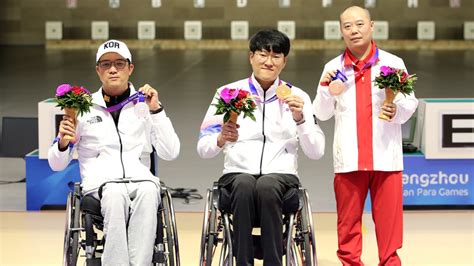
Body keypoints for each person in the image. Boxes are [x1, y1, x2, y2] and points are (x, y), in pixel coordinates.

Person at [197, 29, 325, 266]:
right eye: (263, 54)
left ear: (284, 61)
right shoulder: (228, 94)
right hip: (237, 175)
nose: (269, 61)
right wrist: (221, 138)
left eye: (276, 56)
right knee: (246, 184)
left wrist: (301, 119)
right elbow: (203, 148)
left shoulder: (298, 97)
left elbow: (316, 152)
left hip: (282, 177)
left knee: (266, 185)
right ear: (251, 57)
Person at [48, 39, 180, 265]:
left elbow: (171, 152)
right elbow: (56, 164)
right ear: (98, 70)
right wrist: (62, 143)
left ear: (130, 68)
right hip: (102, 184)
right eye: (106, 64)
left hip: (140, 180)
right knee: (115, 194)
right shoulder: (82, 107)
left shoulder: (145, 104)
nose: (112, 69)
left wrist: (156, 110)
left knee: (150, 191)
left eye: (119, 63)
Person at [313, 6, 418, 266]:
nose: (354, 30)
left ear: (372, 26)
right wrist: (328, 91)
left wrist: (396, 110)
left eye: (359, 24)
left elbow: (410, 102)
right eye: (347, 26)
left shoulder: (393, 64)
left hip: (386, 158)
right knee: (347, 226)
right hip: (349, 160)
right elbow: (321, 113)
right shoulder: (332, 67)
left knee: (389, 227)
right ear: (341, 31)